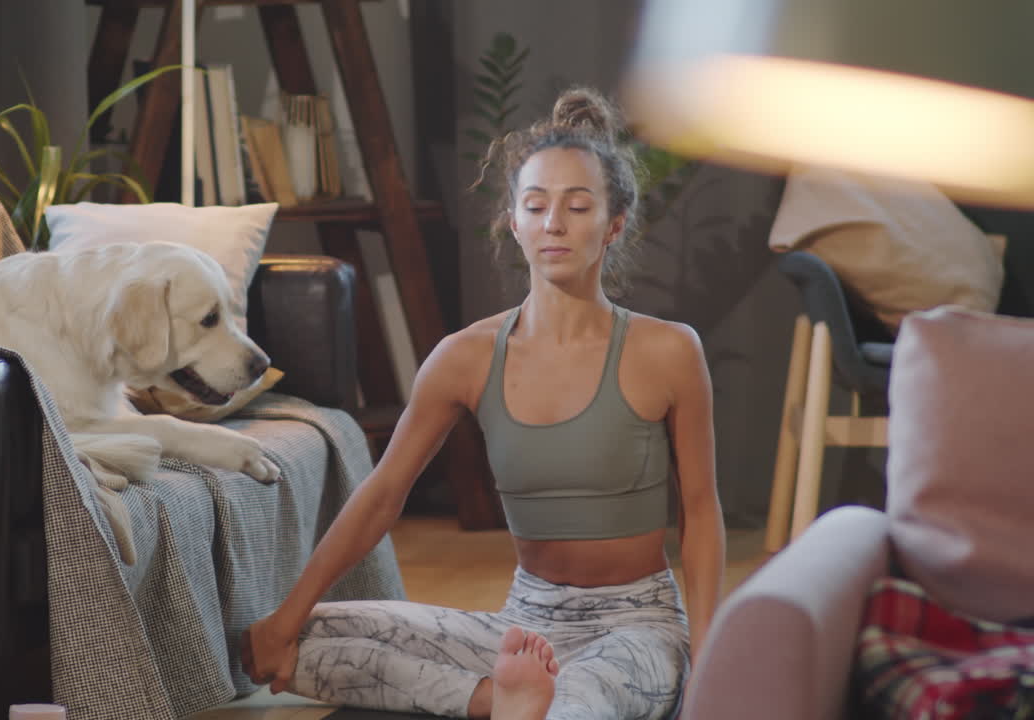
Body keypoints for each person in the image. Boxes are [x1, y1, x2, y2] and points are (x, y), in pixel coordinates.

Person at [241, 86, 725, 720]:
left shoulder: (668, 351)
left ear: (614, 224)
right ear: (514, 222)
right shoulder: (464, 357)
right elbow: (383, 493)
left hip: (635, 626)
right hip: (525, 626)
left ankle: (531, 704)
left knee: (580, 704)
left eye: (578, 207)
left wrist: (709, 663)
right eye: (536, 205)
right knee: (301, 640)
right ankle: (496, 700)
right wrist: (285, 617)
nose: (554, 224)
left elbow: (700, 512)